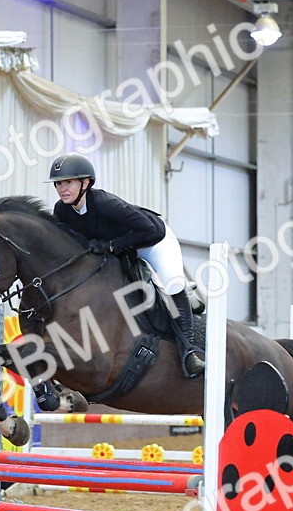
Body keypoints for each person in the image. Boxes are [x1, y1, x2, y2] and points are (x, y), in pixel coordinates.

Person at [48, 153, 205, 378]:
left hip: (153, 241)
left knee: (172, 283)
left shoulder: (105, 203)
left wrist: (111, 246)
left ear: (85, 183)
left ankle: (189, 352)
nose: (63, 189)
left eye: (69, 182)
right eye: (59, 184)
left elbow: (148, 229)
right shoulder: (62, 211)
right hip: (121, 249)